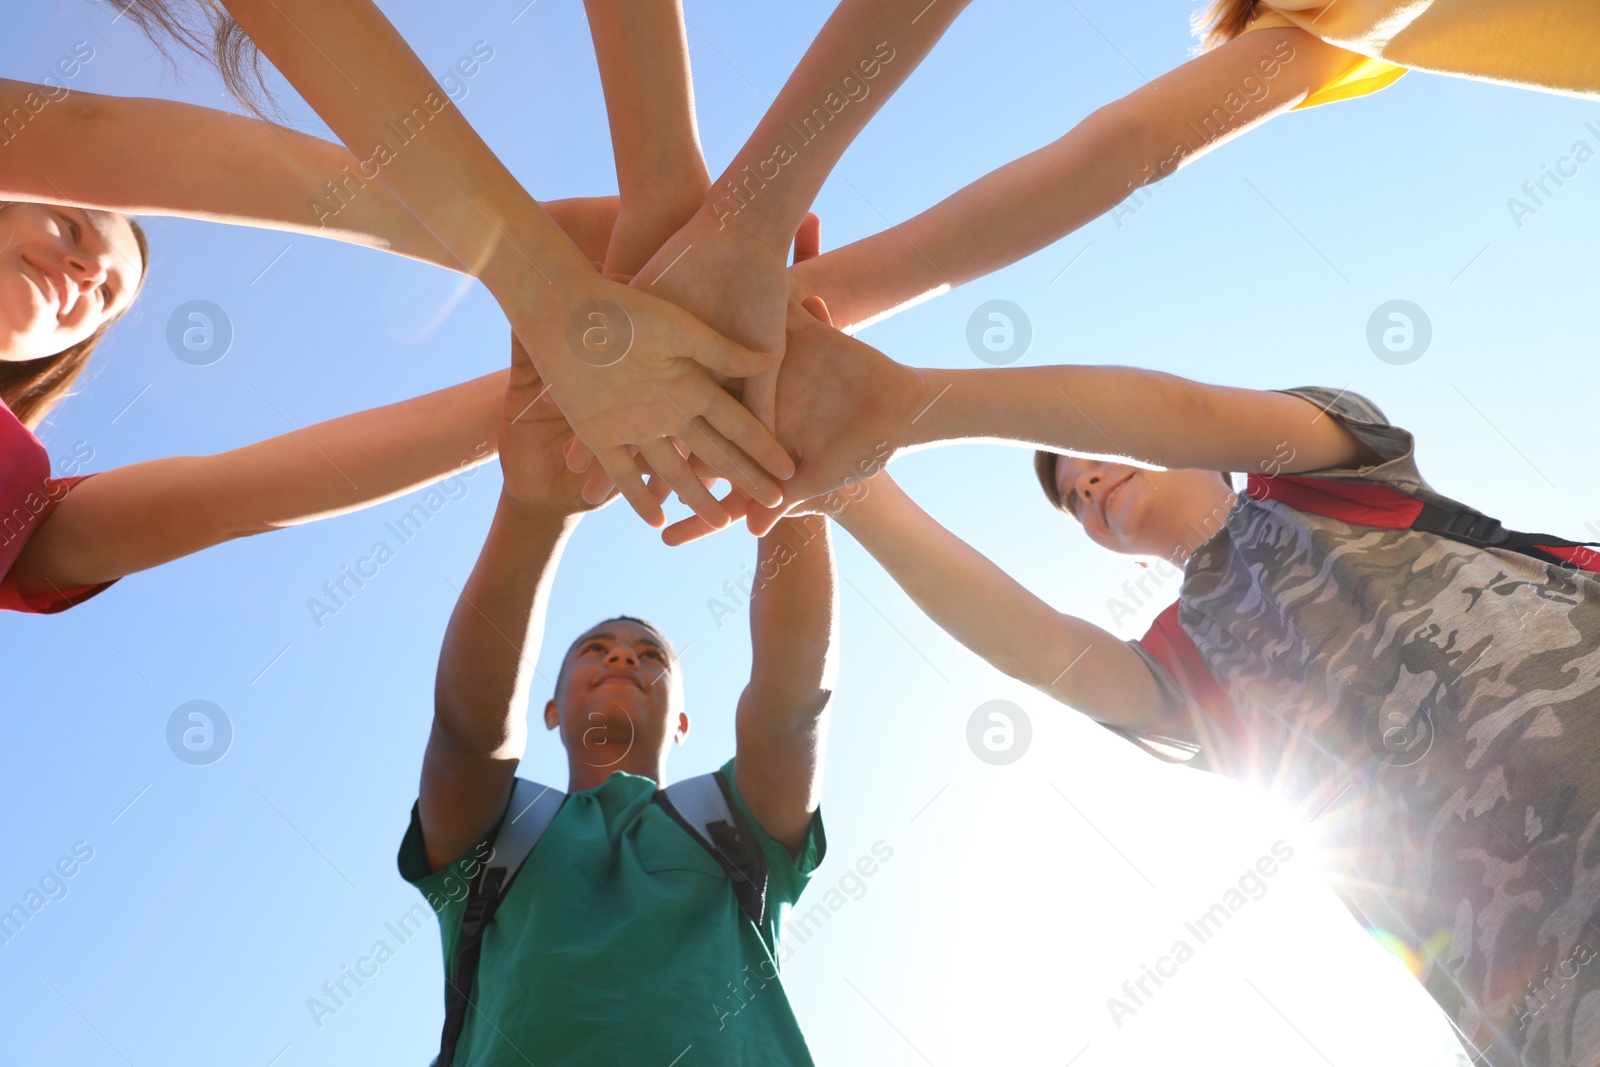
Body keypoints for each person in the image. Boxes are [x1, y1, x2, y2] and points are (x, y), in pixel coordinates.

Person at [720, 305, 1599, 1065]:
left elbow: (1179, 410)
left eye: (1093, 456)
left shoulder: (1328, 475)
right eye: (1072, 497)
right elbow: (1037, 644)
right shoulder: (1185, 661)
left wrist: (901, 404)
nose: (1089, 483)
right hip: (1545, 997)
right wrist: (850, 483)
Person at [398, 330, 838, 1065]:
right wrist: (534, 511)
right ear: (549, 711)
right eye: (592, 651)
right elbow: (468, 734)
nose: (623, 656)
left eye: (650, 655)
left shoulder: (734, 823)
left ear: (685, 721)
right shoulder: (498, 839)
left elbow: (792, 705)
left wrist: (788, 479)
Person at [0, 190, 613, 614]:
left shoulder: (19, 490)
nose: (85, 271)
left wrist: (563, 378)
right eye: (69, 225)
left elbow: (227, 499)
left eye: (106, 293)